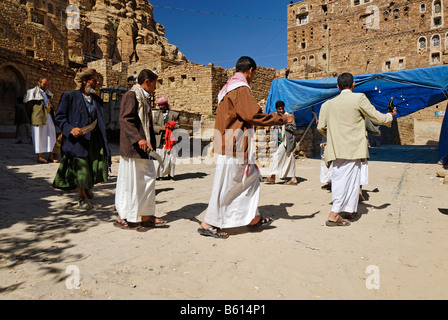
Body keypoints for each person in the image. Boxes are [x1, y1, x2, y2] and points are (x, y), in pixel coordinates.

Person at [198, 56, 294, 238]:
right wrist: (281, 118)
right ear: (250, 71)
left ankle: (252, 217)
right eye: (254, 74)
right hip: (234, 144)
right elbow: (252, 115)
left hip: (232, 143)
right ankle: (208, 223)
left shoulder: (228, 89)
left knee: (249, 180)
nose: (253, 77)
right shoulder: (240, 89)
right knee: (229, 184)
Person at [317, 72, 396, 227]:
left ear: (338, 86)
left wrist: (334, 135)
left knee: (350, 180)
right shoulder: (359, 98)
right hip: (353, 148)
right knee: (345, 180)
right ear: (353, 85)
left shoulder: (327, 104)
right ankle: (334, 214)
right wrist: (390, 116)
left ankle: (349, 210)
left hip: (335, 149)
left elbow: (321, 127)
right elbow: (377, 118)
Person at [114, 69, 167, 230]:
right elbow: (125, 120)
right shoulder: (131, 96)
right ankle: (123, 216)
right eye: (154, 84)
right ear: (147, 82)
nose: (155, 88)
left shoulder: (144, 98)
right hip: (133, 149)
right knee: (130, 183)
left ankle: (146, 215)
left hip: (145, 149)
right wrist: (139, 139)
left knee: (147, 181)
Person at [52, 68, 110, 210]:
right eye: (94, 81)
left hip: (94, 138)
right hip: (77, 139)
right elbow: (59, 117)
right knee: (81, 167)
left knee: (93, 165)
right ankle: (82, 196)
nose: (96, 84)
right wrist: (70, 129)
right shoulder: (69, 96)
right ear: (85, 81)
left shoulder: (96, 99)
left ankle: (88, 186)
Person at [24, 77, 57, 163]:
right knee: (38, 135)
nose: (46, 86)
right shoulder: (32, 92)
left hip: (48, 115)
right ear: (39, 83)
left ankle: (50, 156)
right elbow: (28, 106)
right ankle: (40, 156)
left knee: (51, 134)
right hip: (38, 116)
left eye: (47, 84)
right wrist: (34, 115)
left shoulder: (47, 93)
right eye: (44, 84)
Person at [264, 100, 298, 185]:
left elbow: (294, 128)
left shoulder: (289, 116)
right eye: (279, 109)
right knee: (289, 159)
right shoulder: (275, 116)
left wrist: (287, 124)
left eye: (282, 109)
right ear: (276, 109)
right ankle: (293, 178)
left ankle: (273, 177)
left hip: (287, 141)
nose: (281, 110)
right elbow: (271, 126)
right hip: (279, 142)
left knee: (277, 157)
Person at [152, 97, 180, 179]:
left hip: (171, 140)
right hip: (160, 140)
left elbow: (178, 126)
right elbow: (153, 126)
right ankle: (160, 175)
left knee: (171, 158)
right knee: (160, 158)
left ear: (166, 104)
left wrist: (171, 127)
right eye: (159, 105)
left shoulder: (174, 114)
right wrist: (161, 128)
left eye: (162, 105)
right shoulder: (156, 114)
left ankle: (170, 174)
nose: (160, 107)